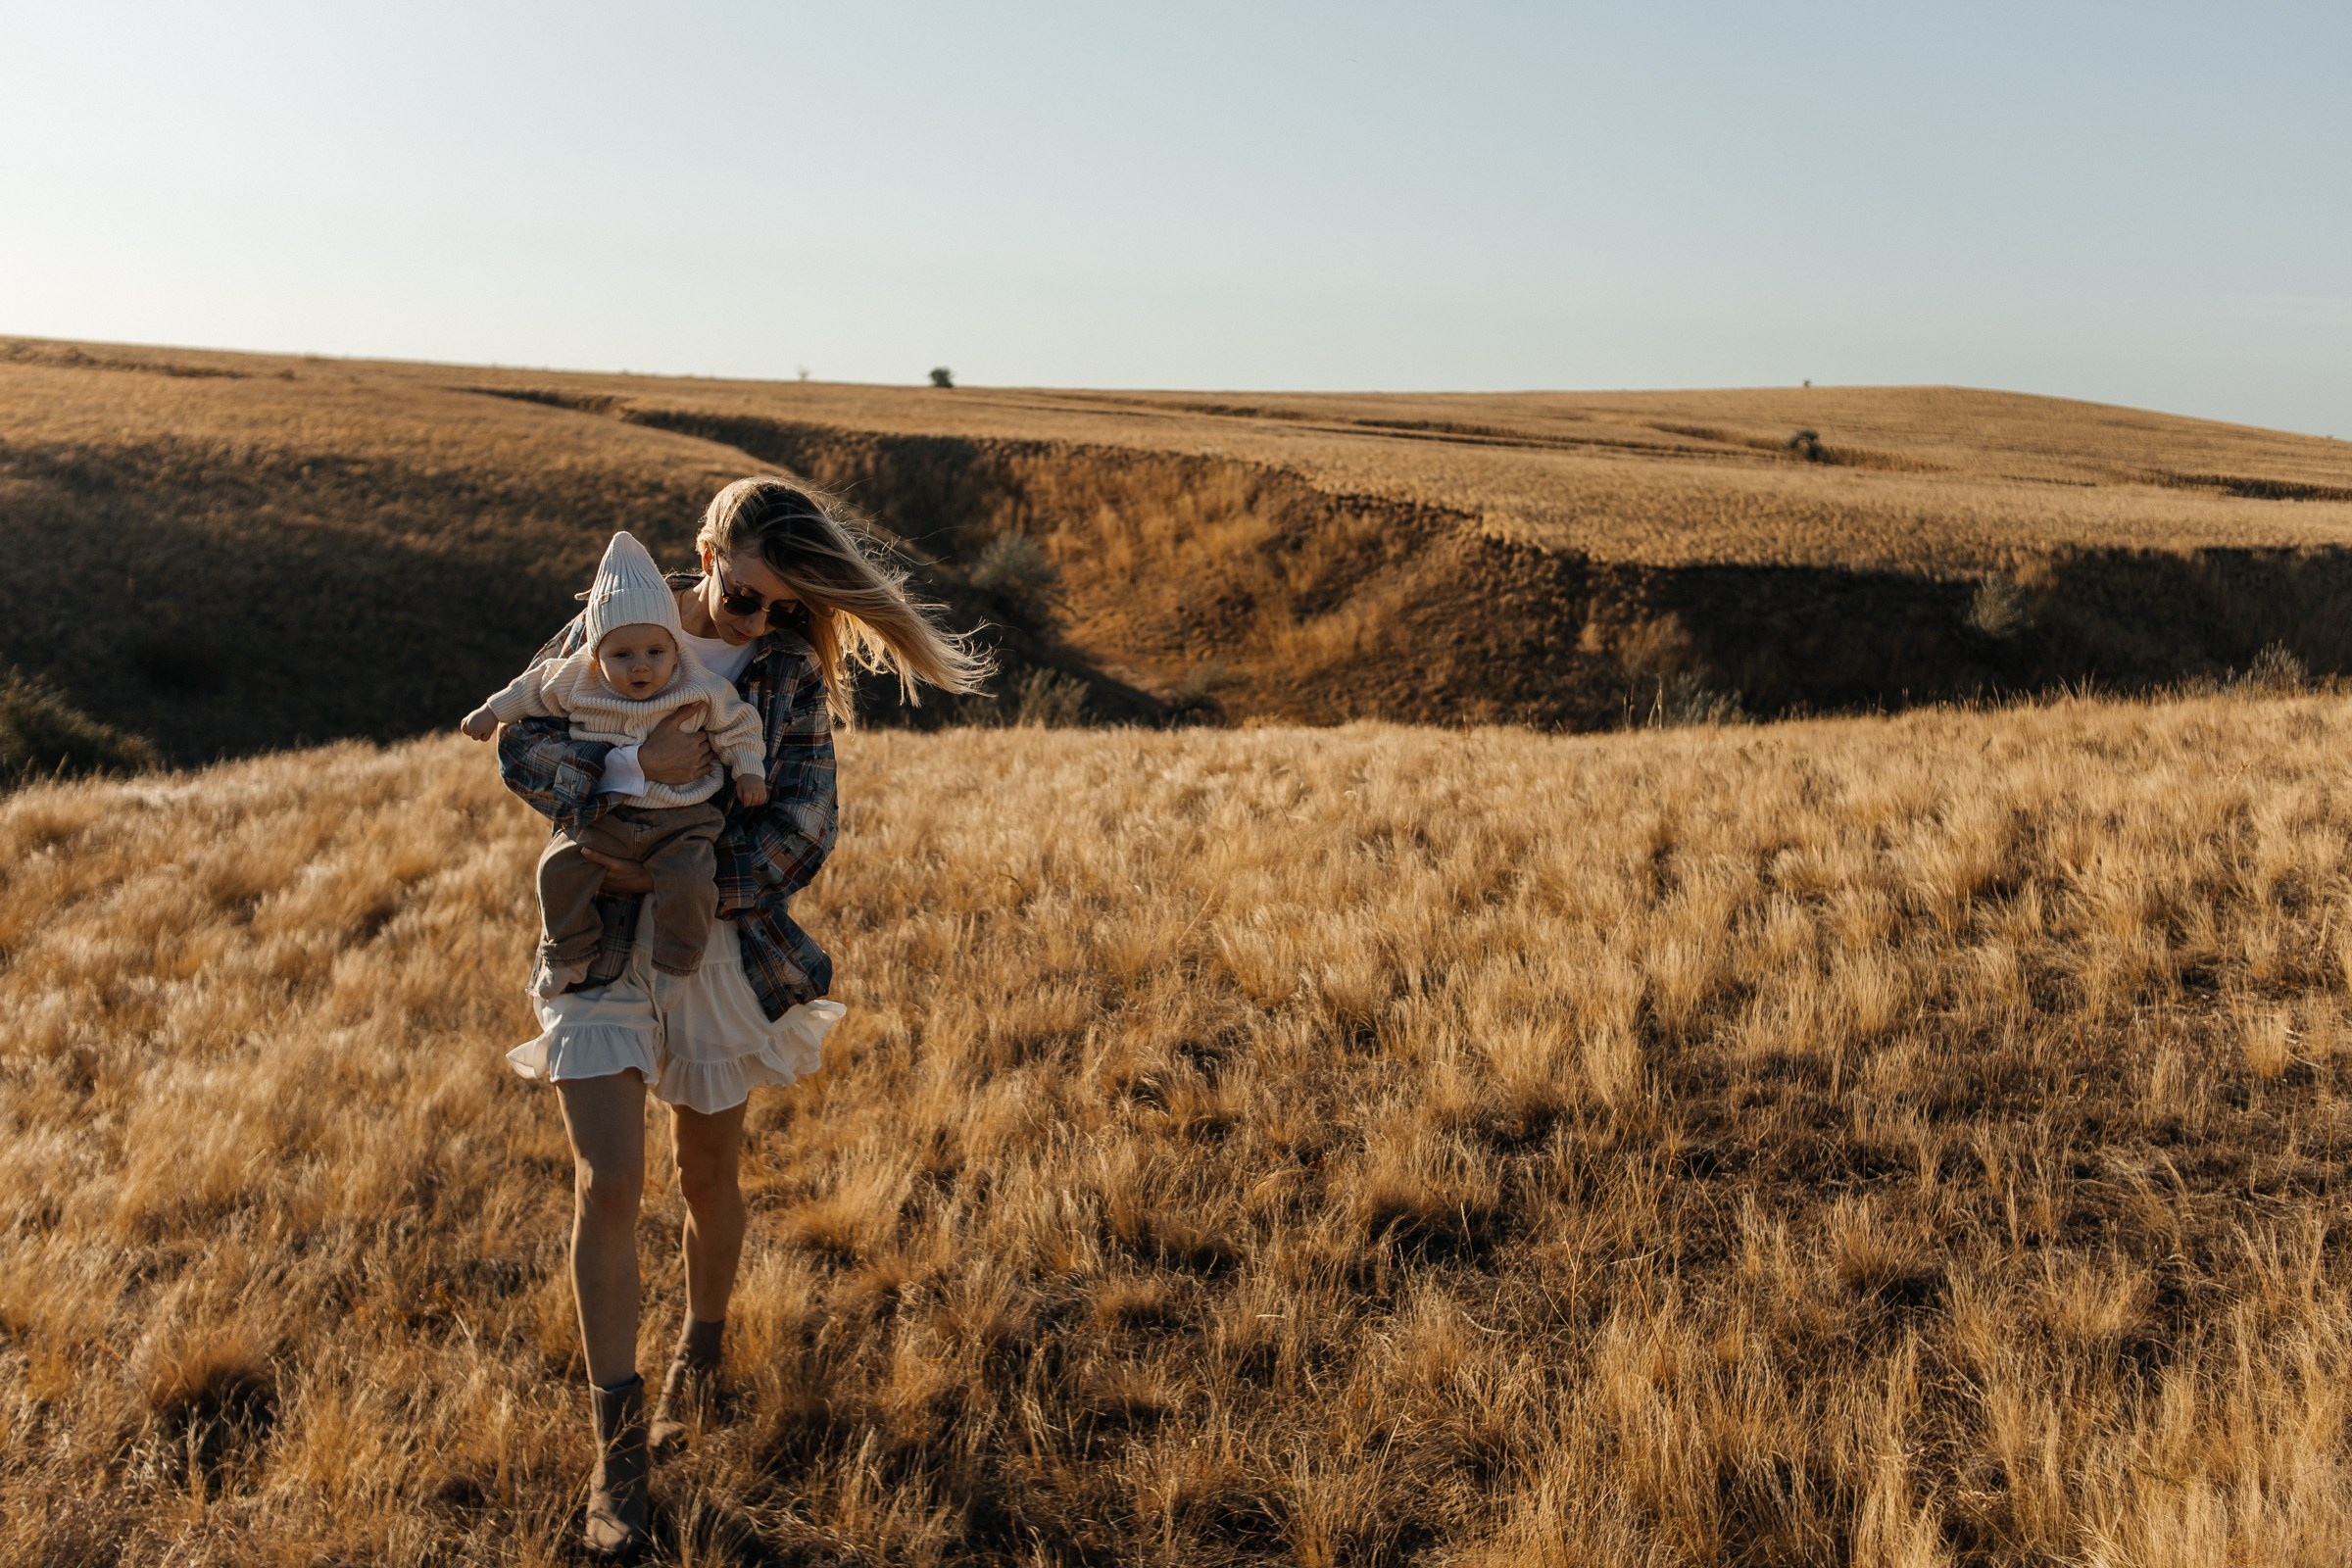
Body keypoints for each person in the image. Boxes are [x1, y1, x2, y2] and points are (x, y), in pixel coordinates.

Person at [495, 476, 991, 1556]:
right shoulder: (613, 615)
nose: (752, 618)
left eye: (776, 604)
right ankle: (617, 1465)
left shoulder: (785, 671)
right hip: (593, 940)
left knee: (702, 1176)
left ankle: (700, 1351)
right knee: (606, 1179)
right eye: (740, 591)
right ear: (704, 550)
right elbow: (519, 743)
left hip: (712, 942)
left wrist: (696, 884)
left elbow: (807, 823)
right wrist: (629, 773)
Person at [464, 530, 769, 996]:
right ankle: (567, 953)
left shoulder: (698, 684)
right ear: (596, 652)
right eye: (622, 655)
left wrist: (748, 769)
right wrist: (491, 711)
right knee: (558, 870)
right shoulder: (577, 679)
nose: (642, 667)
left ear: (674, 647)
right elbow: (530, 689)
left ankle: (675, 967)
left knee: (690, 881)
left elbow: (739, 725)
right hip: (606, 815)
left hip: (682, 817)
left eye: (655, 652)